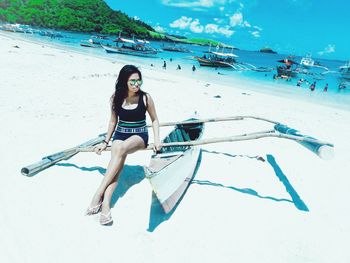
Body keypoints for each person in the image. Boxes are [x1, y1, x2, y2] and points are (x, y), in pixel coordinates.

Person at [86, 65, 161, 225]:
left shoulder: (146, 98)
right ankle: (106, 204)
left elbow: (154, 120)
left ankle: (97, 193)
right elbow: (113, 121)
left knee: (119, 150)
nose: (136, 84)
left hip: (139, 136)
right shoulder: (116, 98)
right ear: (124, 81)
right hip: (120, 134)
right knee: (117, 166)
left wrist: (157, 140)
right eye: (132, 81)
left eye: (138, 80)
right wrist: (105, 142)